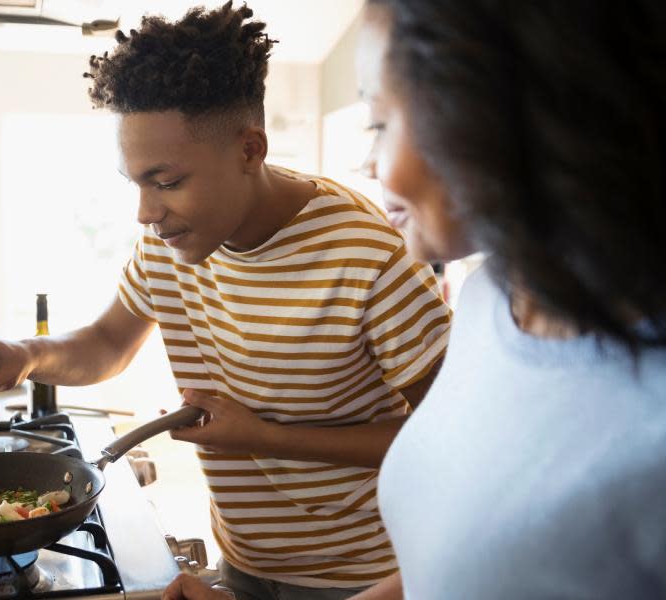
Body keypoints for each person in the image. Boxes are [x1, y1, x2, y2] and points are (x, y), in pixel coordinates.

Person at [0, 3, 450, 596]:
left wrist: (264, 436)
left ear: (250, 150)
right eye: (137, 183)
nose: (146, 212)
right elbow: (106, 344)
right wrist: (26, 354)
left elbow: (452, 439)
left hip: (369, 575)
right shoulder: (169, 242)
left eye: (168, 182)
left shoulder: (366, 253)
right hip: (244, 563)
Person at [167, 0, 666, 598]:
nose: (368, 161)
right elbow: (450, 568)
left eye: (379, 122)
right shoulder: (494, 301)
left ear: (487, 117)